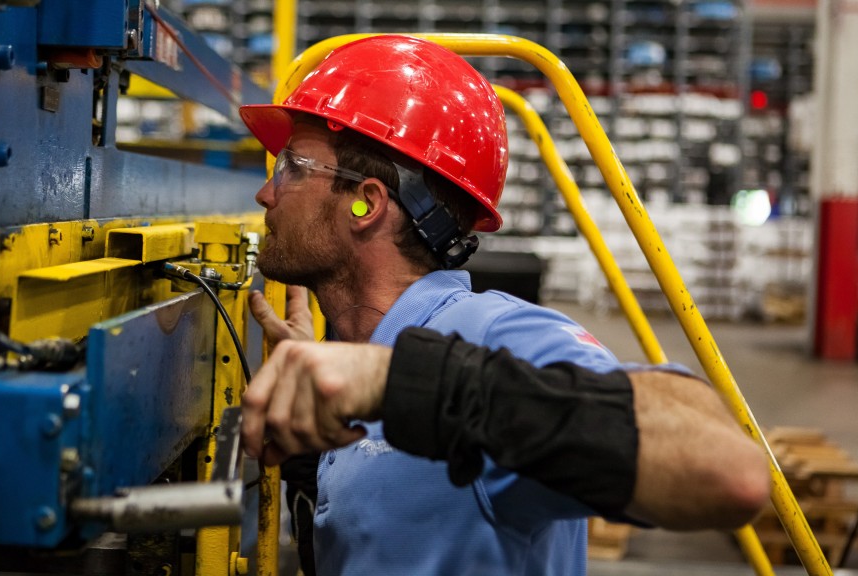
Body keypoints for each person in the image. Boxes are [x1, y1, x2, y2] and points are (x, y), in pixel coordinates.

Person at [237, 35, 769, 575]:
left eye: (293, 168)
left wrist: (402, 380)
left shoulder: (494, 333)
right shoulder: (347, 358)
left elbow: (729, 469)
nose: (266, 194)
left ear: (366, 203)